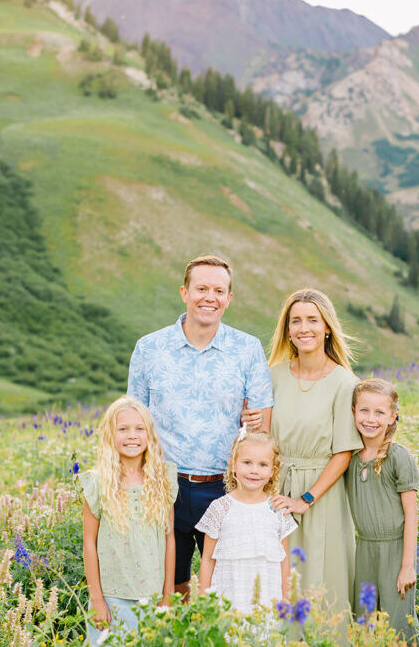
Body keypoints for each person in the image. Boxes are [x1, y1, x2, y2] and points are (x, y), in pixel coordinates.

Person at [127, 255, 273, 596]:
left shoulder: (247, 349)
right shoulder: (149, 348)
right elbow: (134, 422)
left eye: (219, 290)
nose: (210, 297)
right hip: (163, 485)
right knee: (168, 583)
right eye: (202, 288)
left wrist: (249, 423)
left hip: (224, 487)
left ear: (229, 299)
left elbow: (261, 428)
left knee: (223, 584)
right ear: (184, 292)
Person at [258, 288, 362, 620]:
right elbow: (260, 437)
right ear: (287, 329)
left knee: (320, 580)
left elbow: (343, 454)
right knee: (277, 583)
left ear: (327, 327)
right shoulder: (273, 375)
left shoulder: (344, 382)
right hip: (274, 491)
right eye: (296, 321)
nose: (304, 328)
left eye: (313, 320)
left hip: (321, 495)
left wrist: (306, 498)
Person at [79, 397, 177, 645]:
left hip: (153, 598)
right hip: (112, 598)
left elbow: (169, 538)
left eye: (139, 428)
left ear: (149, 435)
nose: (132, 436)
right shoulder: (98, 482)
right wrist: (97, 599)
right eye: (123, 429)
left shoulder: (162, 480)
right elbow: (89, 543)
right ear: (110, 435)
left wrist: (168, 595)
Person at [345, 378, 419, 641]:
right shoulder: (350, 458)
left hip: (396, 550)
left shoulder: (398, 457)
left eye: (380, 412)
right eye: (364, 410)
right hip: (364, 549)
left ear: (392, 417)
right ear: (353, 412)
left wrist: (407, 566)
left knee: (398, 622)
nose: (370, 419)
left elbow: (411, 515)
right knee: (365, 622)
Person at [196, 428, 297, 611]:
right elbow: (207, 560)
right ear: (233, 465)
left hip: (267, 599)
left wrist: (286, 597)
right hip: (229, 597)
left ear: (273, 471)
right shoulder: (220, 508)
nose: (254, 471)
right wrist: (204, 600)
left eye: (262, 465)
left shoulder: (277, 510)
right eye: (247, 463)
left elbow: (284, 559)